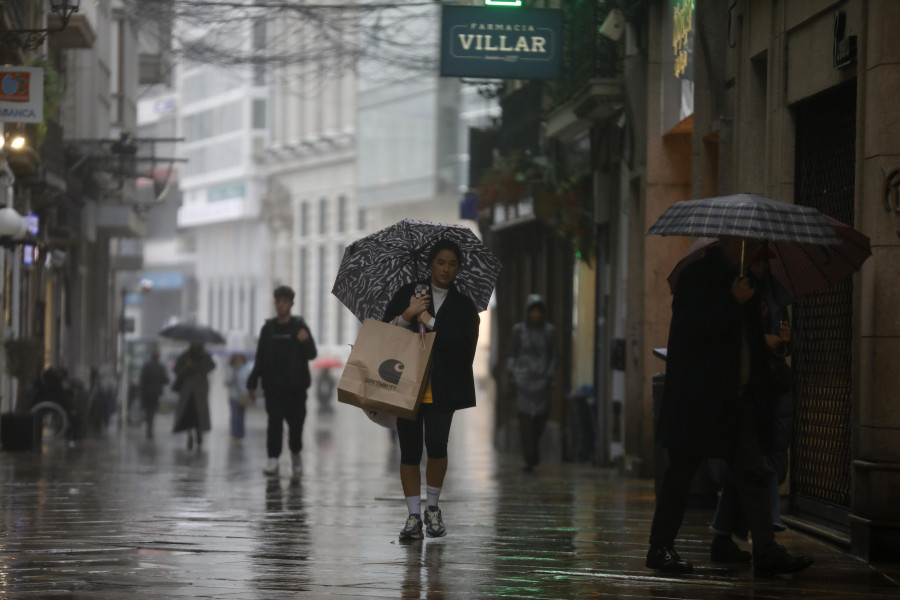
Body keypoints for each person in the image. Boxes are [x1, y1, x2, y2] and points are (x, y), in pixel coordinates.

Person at [646, 236, 813, 577]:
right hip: (699, 398)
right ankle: (660, 547)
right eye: (748, 242)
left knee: (751, 472)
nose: (754, 249)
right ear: (728, 241)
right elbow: (690, 332)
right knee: (680, 473)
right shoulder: (699, 278)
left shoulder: (746, 281)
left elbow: (749, 339)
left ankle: (766, 550)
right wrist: (731, 302)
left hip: (737, 399)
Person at [382, 239, 480, 540]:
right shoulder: (408, 295)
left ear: (458, 268)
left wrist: (431, 320)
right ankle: (413, 515)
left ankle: (433, 508)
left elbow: (463, 345)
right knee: (409, 449)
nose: (446, 269)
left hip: (443, 386)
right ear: (430, 264)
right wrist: (408, 315)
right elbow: (385, 335)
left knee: (437, 444)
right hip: (408, 384)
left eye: (452, 264)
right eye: (441, 262)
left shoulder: (464, 305)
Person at [708, 246, 794, 561]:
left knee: (749, 468)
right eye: (754, 261)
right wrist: (761, 337)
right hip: (740, 392)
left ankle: (724, 536)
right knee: (754, 467)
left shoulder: (773, 294)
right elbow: (726, 336)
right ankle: (767, 537)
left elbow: (777, 344)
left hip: (765, 389)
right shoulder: (730, 291)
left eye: (764, 262)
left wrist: (782, 340)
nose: (760, 268)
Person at [247, 285, 318, 477]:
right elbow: (260, 358)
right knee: (274, 425)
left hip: (296, 388)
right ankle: (273, 459)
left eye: (285, 301)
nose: (281, 305)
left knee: (296, 426)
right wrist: (252, 383)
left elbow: (312, 354)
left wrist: (305, 341)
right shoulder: (268, 329)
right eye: (278, 301)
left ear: (291, 304)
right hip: (274, 388)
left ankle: (295, 455)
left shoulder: (300, 327)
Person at [506, 294, 557, 472]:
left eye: (538, 311)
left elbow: (553, 354)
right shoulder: (519, 330)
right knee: (525, 421)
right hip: (523, 381)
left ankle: (533, 449)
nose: (536, 315)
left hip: (542, 381)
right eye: (533, 311)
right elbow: (511, 353)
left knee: (541, 419)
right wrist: (513, 373)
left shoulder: (549, 331)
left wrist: (550, 374)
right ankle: (529, 457)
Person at [172, 342, 215, 450]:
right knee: (188, 415)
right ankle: (190, 436)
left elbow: (211, 367)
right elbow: (177, 369)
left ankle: (199, 433)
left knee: (199, 414)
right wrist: (186, 367)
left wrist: (196, 365)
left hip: (200, 391)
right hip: (187, 391)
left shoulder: (205, 356)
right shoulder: (185, 356)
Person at [139, 350, 170, 440]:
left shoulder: (146, 366)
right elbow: (166, 380)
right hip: (156, 392)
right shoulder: (160, 367)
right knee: (152, 410)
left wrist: (140, 390)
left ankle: (148, 427)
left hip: (146, 392)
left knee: (148, 409)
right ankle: (150, 428)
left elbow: (142, 379)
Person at [226, 353, 251, 446]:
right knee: (235, 416)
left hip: (243, 396)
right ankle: (234, 434)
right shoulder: (231, 369)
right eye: (236, 358)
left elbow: (249, 381)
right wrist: (233, 375)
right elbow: (226, 381)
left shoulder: (246, 369)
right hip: (233, 396)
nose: (238, 360)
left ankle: (240, 435)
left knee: (241, 416)